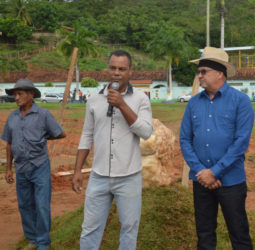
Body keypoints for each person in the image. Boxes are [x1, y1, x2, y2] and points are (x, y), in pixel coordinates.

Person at [72, 50, 153, 250]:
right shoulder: (94, 99)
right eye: (113, 68)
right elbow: (86, 135)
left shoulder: (141, 99)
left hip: (129, 176)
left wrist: (122, 104)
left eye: (122, 69)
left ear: (130, 71)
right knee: (90, 228)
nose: (116, 73)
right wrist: (77, 170)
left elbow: (146, 132)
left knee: (129, 227)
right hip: (98, 176)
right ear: (108, 69)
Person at [180, 47, 254, 249]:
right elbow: (185, 139)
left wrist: (215, 171)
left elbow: (240, 143)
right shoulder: (194, 103)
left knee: (239, 234)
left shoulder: (241, 101)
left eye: (204, 71)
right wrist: (202, 172)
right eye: (199, 71)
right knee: (204, 234)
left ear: (220, 73)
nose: (199, 76)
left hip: (231, 181)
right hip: (201, 180)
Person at [1, 79, 66, 250]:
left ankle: (43, 243)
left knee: (42, 205)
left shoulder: (43, 115)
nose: (16, 97)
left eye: (20, 94)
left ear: (31, 95)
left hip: (40, 167)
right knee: (24, 205)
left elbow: (60, 133)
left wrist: (43, 138)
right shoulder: (12, 117)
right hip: (21, 168)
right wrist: (8, 168)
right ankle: (32, 239)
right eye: (14, 94)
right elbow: (8, 143)